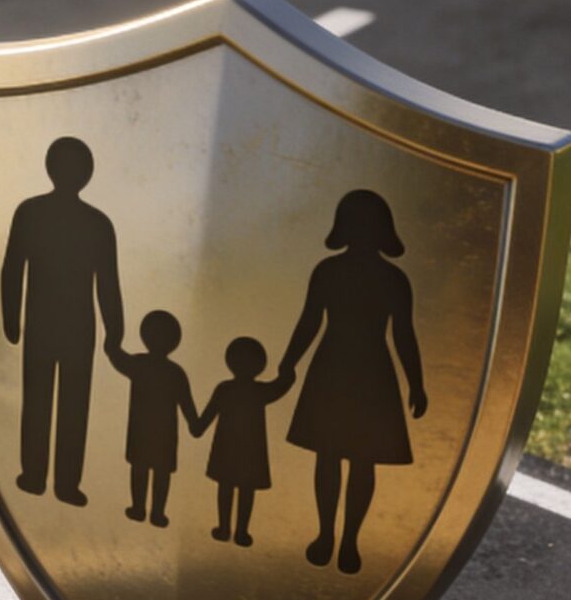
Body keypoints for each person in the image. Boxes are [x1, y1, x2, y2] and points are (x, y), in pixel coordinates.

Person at [276, 189, 426, 575]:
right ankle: (326, 534)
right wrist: (289, 363)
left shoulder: (395, 279)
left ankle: (350, 541)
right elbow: (309, 321)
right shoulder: (327, 271)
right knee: (329, 455)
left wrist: (417, 383)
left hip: (370, 372)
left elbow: (404, 335)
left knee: (362, 459)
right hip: (334, 369)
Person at [2, 136, 126, 507]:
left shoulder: (35, 212)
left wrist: (114, 332)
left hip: (54, 323)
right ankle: (51, 479)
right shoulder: (93, 222)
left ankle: (43, 478)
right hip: (67, 325)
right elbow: (14, 267)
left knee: (50, 401)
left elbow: (106, 280)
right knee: (64, 403)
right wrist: (113, 333)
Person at [193, 336, 293, 547]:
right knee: (244, 489)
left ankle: (225, 528)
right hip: (249, 450)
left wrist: (197, 426)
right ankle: (240, 531)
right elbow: (281, 386)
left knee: (227, 486)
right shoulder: (257, 391)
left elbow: (207, 416)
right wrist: (288, 370)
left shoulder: (225, 389)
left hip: (228, 448)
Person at [109, 310, 199, 527]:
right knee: (157, 472)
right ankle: (153, 511)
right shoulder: (174, 372)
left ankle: (141, 509)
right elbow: (187, 404)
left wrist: (111, 343)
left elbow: (117, 357)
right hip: (161, 434)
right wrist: (196, 424)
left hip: (146, 431)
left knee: (145, 470)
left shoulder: (141, 365)